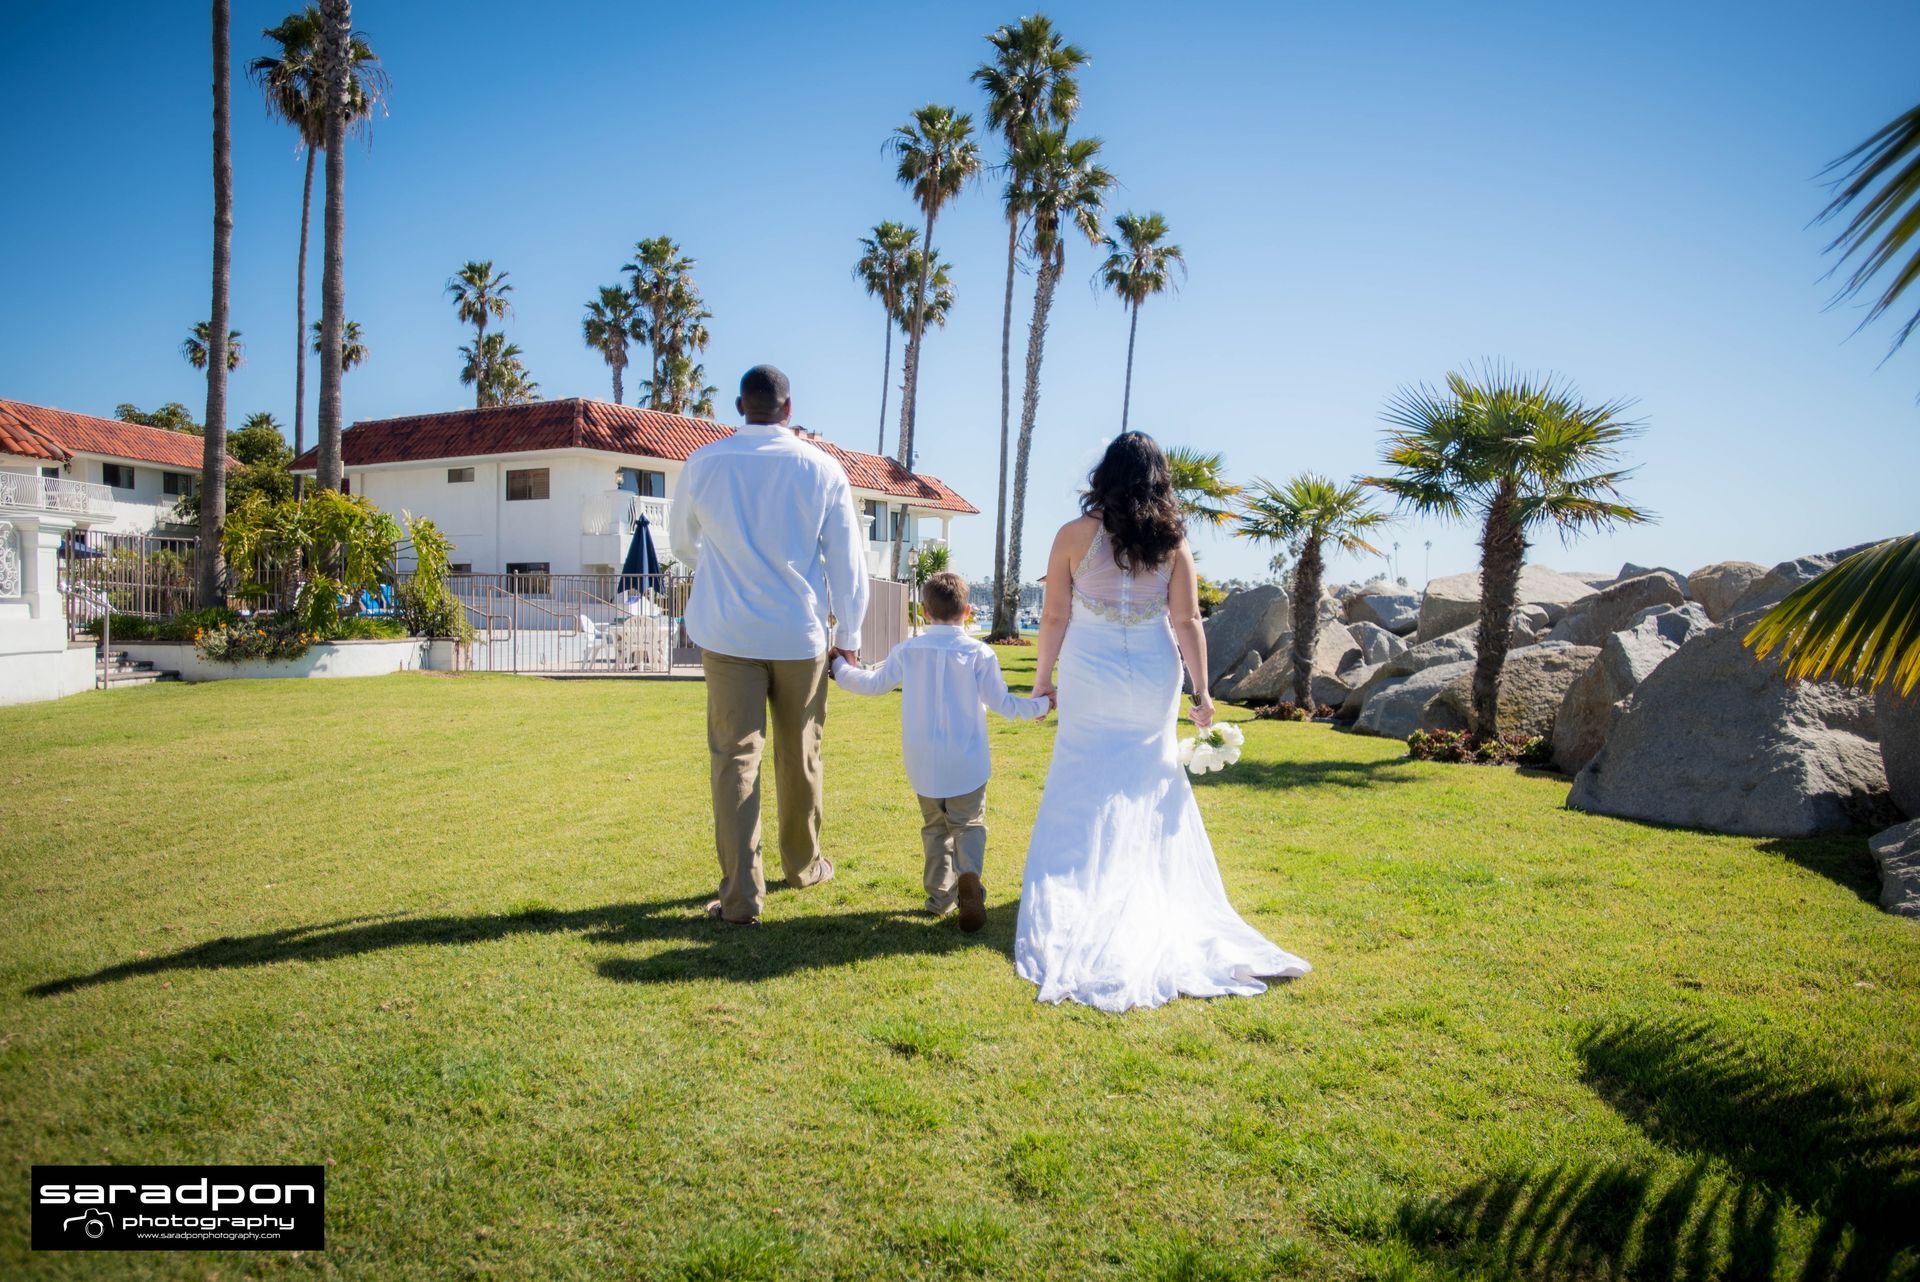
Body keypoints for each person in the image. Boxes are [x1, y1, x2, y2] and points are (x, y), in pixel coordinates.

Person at [1016, 432, 1311, 1010]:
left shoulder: (1073, 537)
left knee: (1083, 774)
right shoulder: (1173, 543)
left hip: (1090, 670)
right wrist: (1201, 692)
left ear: (1106, 475)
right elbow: (1188, 623)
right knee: (1149, 776)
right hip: (1152, 672)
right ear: (1158, 478)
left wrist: (1042, 679)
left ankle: (1084, 888)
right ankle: (1137, 886)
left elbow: (1053, 616)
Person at [668, 365, 870, 926]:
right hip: (798, 633)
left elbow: (683, 543)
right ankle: (804, 866)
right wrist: (849, 637)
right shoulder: (822, 468)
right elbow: (848, 563)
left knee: (735, 758)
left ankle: (740, 897)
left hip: (728, 631)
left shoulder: (703, 463)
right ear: (788, 407)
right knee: (799, 752)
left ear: (740, 405)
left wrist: (722, 565)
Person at [830, 571, 1052, 931]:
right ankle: (969, 877)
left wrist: (839, 666)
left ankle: (939, 897)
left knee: (934, 829)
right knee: (969, 825)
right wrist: (1041, 706)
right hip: (967, 763)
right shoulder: (979, 652)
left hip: (923, 764)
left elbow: (872, 685)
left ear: (924, 611)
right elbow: (1004, 705)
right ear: (966, 612)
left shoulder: (907, 651)